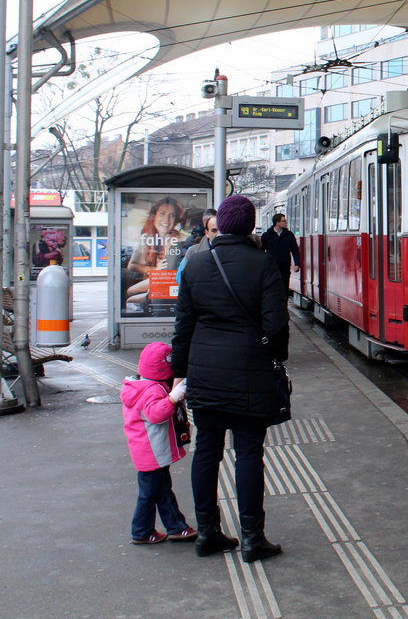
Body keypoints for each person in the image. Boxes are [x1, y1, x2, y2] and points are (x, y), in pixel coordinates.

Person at [172, 195, 289, 562]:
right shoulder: (264, 264)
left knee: (207, 451)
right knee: (249, 454)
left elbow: (183, 326)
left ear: (219, 224)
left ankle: (208, 533)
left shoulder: (195, 264)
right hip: (250, 373)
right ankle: (253, 539)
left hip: (205, 372)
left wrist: (180, 371)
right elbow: (276, 326)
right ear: (251, 225)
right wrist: (274, 358)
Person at [120, 342, 195, 546]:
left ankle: (177, 527)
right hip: (152, 452)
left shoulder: (138, 386)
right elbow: (156, 414)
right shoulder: (153, 390)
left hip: (146, 451)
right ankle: (141, 531)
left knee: (161, 490)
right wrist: (172, 398)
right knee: (150, 494)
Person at [126, 197, 190, 307]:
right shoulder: (148, 238)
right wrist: (153, 270)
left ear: (175, 220)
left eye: (172, 215)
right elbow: (131, 265)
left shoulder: (183, 239)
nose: (166, 219)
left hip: (173, 281)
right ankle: (149, 299)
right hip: (158, 279)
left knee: (131, 298)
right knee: (129, 292)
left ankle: (149, 299)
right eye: (162, 214)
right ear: (154, 216)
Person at [260, 212, 301, 289]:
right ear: (277, 222)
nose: (286, 222)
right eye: (284, 221)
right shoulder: (267, 235)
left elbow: (295, 250)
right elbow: (261, 250)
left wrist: (297, 264)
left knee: (285, 287)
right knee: (272, 287)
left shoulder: (289, 235)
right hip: (271, 267)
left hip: (284, 266)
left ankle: (284, 300)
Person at [177, 213, 220, 283]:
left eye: (220, 230)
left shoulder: (231, 251)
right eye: (214, 230)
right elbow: (182, 280)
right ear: (207, 233)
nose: (218, 234)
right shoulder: (193, 251)